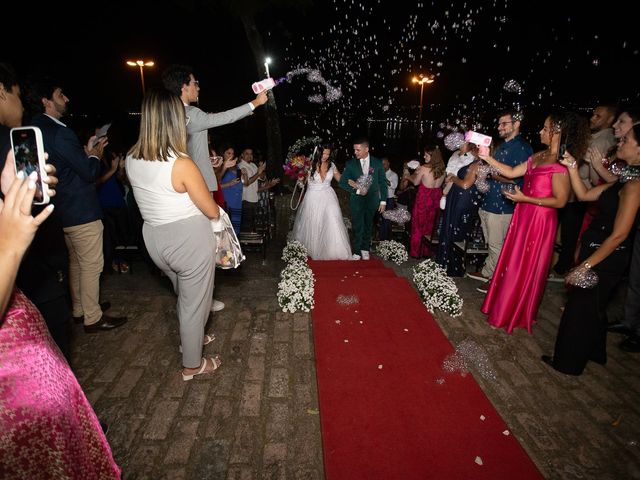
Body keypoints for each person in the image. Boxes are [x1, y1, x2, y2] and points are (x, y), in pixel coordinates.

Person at [0, 151, 121, 479]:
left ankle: (84, 311)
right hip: (13, 380)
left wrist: (10, 195)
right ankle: (89, 314)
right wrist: (10, 243)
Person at [125, 88, 221, 381]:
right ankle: (193, 364)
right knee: (194, 303)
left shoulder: (131, 157)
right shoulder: (182, 163)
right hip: (188, 240)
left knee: (186, 296)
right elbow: (212, 210)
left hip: (154, 238)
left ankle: (193, 337)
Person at [162, 65, 267, 311]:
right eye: (194, 82)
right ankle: (199, 302)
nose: (198, 87)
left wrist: (204, 161)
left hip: (177, 188)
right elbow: (222, 118)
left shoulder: (168, 114)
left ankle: (193, 299)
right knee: (204, 248)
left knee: (189, 248)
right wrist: (255, 103)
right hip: (198, 191)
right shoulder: (192, 113)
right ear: (183, 87)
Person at [27, 76, 127, 333]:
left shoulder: (34, 128)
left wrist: (84, 155)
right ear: (46, 101)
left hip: (61, 210)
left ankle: (81, 308)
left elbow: (66, 168)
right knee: (92, 263)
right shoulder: (60, 132)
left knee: (76, 262)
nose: (67, 98)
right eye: (61, 94)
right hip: (81, 209)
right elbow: (87, 171)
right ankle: (93, 317)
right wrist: (94, 156)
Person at [543, 123, 640, 374]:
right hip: (597, 250)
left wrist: (585, 266)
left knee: (580, 311)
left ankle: (567, 364)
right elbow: (585, 195)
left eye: (626, 140)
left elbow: (619, 235)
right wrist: (573, 166)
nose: (620, 142)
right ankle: (596, 352)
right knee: (595, 307)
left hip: (605, 258)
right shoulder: (624, 180)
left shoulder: (634, 187)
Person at [479, 112, 590, 333]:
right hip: (523, 214)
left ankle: (517, 311)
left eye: (546, 128)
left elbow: (559, 201)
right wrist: (487, 157)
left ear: (558, 132)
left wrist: (525, 199)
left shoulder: (562, 163)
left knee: (526, 264)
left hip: (540, 220)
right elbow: (511, 171)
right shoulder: (538, 156)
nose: (540, 131)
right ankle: (503, 306)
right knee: (513, 261)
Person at [468, 110, 533, 286]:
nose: (499, 127)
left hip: (503, 205)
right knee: (492, 243)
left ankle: (495, 282)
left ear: (516, 124)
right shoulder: (503, 146)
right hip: (490, 201)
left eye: (503, 123)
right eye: (498, 124)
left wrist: (491, 174)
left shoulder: (521, 148)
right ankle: (488, 272)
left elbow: (518, 179)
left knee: (498, 246)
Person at [292, 145, 352, 260]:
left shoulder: (331, 165)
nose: (326, 156)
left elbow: (340, 178)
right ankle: (313, 248)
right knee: (314, 221)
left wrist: (352, 183)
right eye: (324, 154)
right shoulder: (308, 165)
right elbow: (301, 181)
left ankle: (335, 250)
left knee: (333, 217)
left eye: (328, 154)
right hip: (313, 196)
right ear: (318, 153)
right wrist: (300, 178)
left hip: (328, 195)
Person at [436, 146, 483, 276]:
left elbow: (466, 184)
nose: (475, 150)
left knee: (458, 230)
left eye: (477, 148)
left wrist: (454, 178)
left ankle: (454, 267)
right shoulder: (474, 162)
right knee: (451, 229)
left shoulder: (478, 164)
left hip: (464, 200)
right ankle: (446, 263)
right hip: (458, 197)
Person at [338, 137, 387, 260]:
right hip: (357, 199)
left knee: (368, 224)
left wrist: (383, 201)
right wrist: (357, 190)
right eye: (354, 150)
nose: (355, 152)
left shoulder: (377, 163)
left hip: (373, 199)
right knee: (357, 225)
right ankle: (356, 250)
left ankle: (365, 248)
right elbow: (342, 183)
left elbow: (382, 182)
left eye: (358, 150)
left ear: (366, 149)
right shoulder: (350, 164)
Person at [409, 145, 445, 258]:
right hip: (436, 199)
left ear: (433, 156)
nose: (424, 156)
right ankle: (426, 251)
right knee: (430, 226)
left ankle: (416, 252)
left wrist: (408, 176)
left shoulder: (424, 168)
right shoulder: (443, 170)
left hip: (424, 200)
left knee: (418, 226)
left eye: (426, 155)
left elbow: (415, 182)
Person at [378, 156, 398, 241]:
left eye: (384, 164)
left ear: (388, 164)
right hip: (378, 199)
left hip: (388, 200)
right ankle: (379, 238)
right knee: (379, 220)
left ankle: (384, 241)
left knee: (386, 221)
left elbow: (394, 185)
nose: (383, 166)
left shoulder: (393, 174)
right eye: (381, 164)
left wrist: (384, 179)